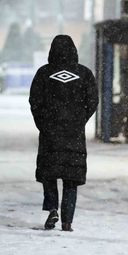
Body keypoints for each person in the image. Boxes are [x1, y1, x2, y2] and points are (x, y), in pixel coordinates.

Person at [29, 35, 97, 232]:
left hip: (50, 135)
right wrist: (79, 120)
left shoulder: (44, 73)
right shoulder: (84, 73)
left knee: (50, 174)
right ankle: (68, 220)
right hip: (74, 136)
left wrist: (43, 123)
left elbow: (35, 101)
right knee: (71, 178)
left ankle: (52, 209)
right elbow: (92, 101)